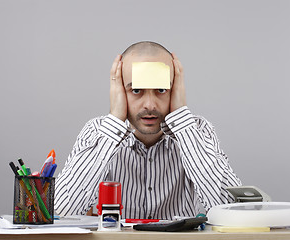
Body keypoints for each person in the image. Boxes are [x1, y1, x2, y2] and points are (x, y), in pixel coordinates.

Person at [55, 41, 242, 219]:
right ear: (119, 90)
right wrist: (114, 122)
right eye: (136, 90)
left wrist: (182, 122)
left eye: (161, 89)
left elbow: (234, 212)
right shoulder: (97, 132)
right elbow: (60, 213)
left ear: (175, 88)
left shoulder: (198, 131)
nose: (150, 105)